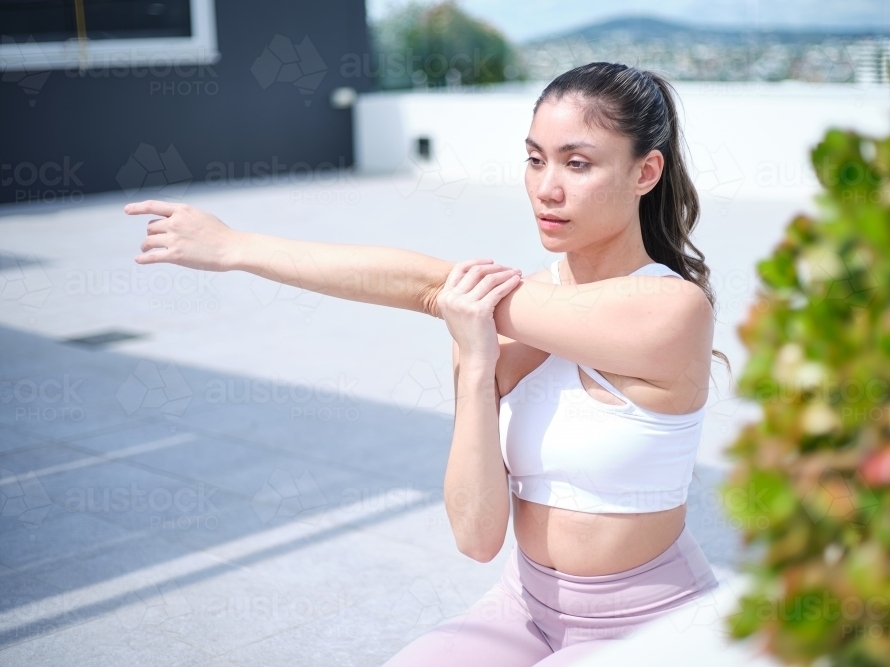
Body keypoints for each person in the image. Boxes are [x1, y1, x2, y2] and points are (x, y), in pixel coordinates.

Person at [125, 61, 729, 666]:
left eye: (577, 163)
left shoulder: (670, 309)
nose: (547, 188)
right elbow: (476, 537)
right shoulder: (507, 316)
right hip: (525, 605)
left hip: (650, 623)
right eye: (535, 159)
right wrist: (474, 368)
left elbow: (424, 284)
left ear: (645, 171)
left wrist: (239, 247)